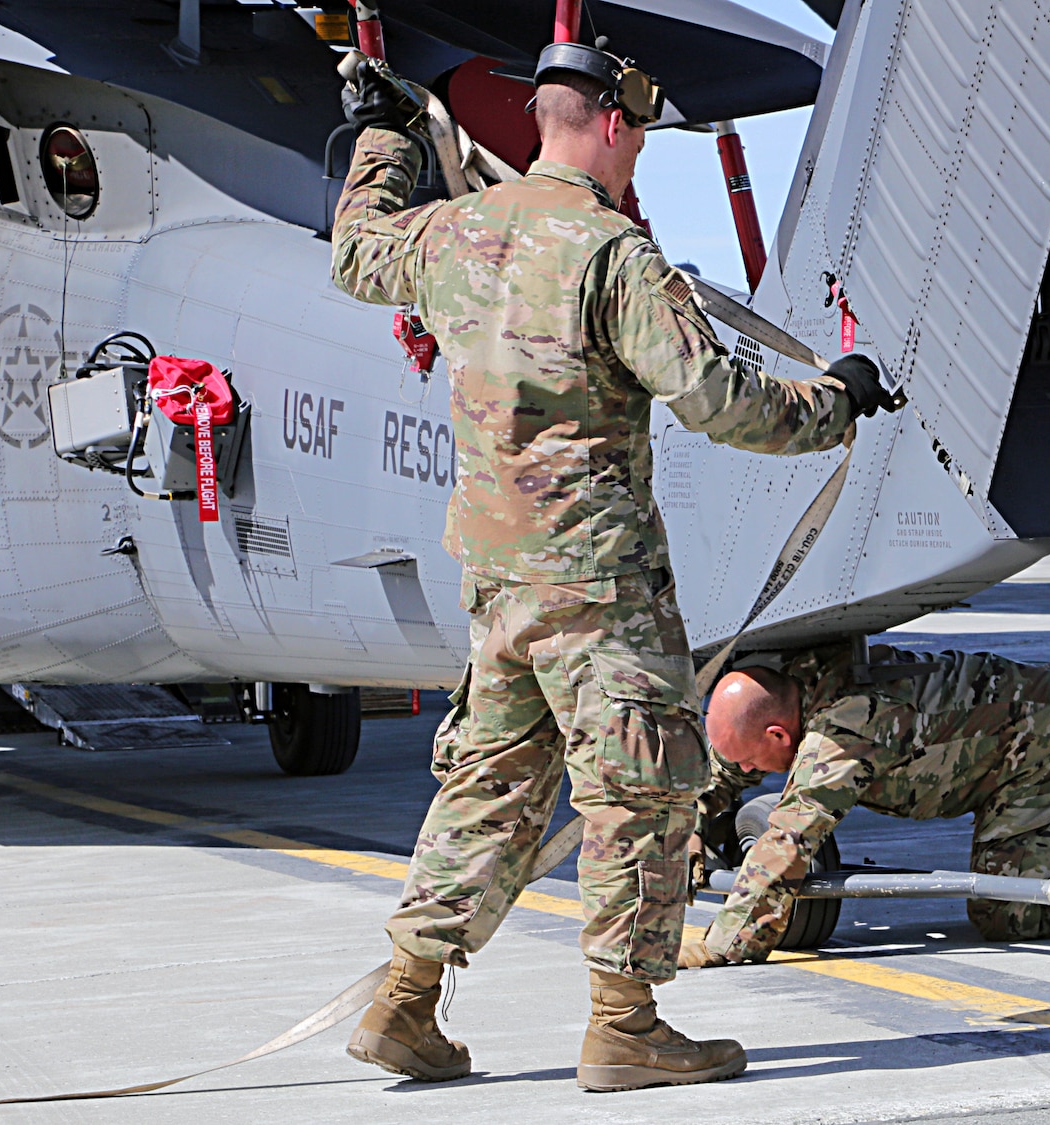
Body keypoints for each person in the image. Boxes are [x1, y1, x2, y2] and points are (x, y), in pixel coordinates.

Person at [328, 41, 896, 1092]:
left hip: (500, 585)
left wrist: (382, 138)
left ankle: (404, 1001)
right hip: (599, 587)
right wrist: (839, 402)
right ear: (616, 126)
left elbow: (356, 251)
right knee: (640, 789)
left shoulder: (455, 233)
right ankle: (624, 1026)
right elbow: (724, 404)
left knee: (488, 790)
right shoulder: (610, 254)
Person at [677, 642, 1050, 968]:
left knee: (1010, 910)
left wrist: (722, 944)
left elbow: (790, 841)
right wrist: (695, 830)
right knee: (1016, 878)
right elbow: (724, 766)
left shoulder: (844, 729)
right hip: (1004, 749)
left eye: (754, 764)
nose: (745, 775)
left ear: (780, 733)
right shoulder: (791, 693)